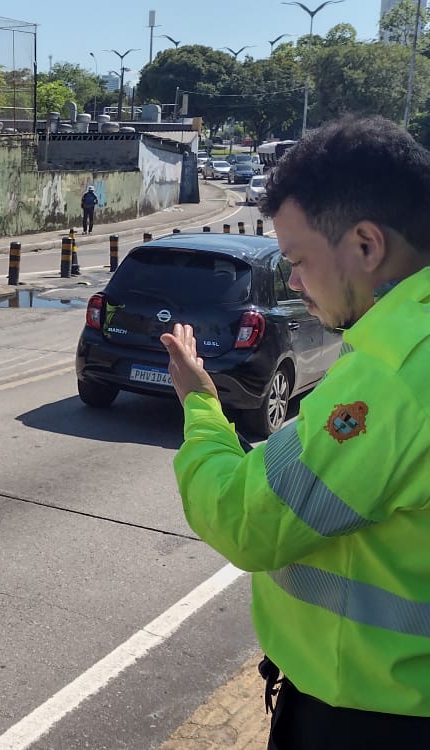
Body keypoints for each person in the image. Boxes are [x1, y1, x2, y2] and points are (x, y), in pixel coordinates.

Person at [160, 114, 430, 748]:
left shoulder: (395, 374)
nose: (294, 283)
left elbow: (247, 518)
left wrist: (201, 406)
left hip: (370, 718)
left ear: (366, 245)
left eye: (299, 260)